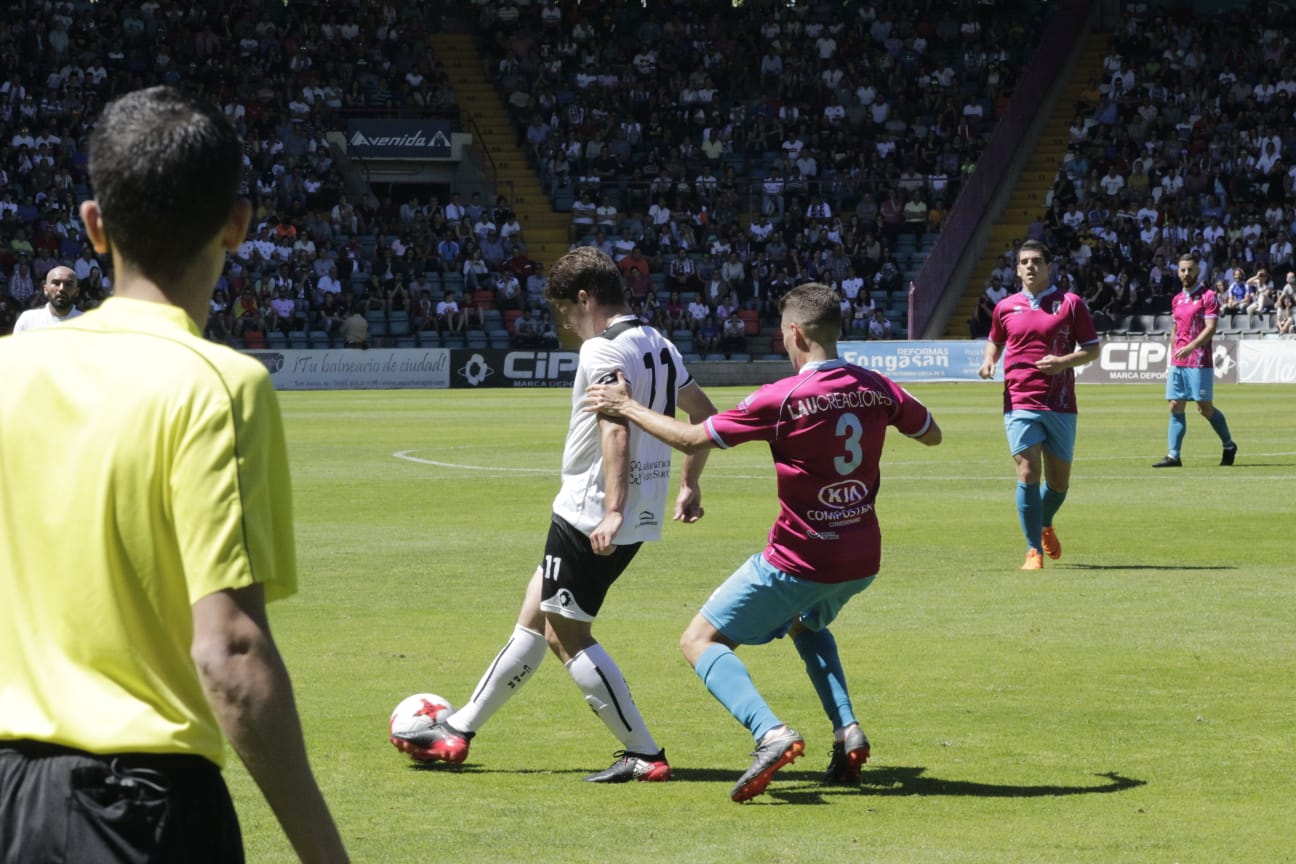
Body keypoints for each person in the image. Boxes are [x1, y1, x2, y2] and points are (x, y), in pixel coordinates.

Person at [0, 87, 347, 863]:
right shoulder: (218, 384)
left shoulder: (7, 369)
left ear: (94, 226)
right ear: (238, 224)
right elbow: (229, 651)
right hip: (141, 809)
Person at [583, 282, 941, 802]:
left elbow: (692, 435)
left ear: (793, 332)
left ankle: (769, 732)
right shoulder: (876, 386)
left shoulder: (784, 397)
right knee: (806, 623)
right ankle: (847, 730)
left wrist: (627, 406)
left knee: (698, 641)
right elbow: (931, 433)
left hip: (801, 556)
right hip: (861, 557)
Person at [390, 247, 717, 783]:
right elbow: (703, 415)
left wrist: (609, 511)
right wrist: (689, 483)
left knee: (566, 634)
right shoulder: (659, 342)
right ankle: (460, 728)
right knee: (537, 609)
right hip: (638, 509)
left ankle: (645, 752)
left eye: (566, 310)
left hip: (591, 511)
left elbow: (613, 427)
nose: (565, 322)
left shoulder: (601, 350)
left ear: (585, 298)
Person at [978, 240, 1100, 571]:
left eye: (1037, 261)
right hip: (1019, 400)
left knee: (1058, 485)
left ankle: (1044, 523)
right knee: (1028, 470)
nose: (1030, 266)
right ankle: (1034, 550)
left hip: (1060, 403)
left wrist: (1062, 362)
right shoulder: (1005, 307)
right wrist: (990, 361)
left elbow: (1092, 348)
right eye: (1024, 262)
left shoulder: (1070, 303)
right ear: (1017, 269)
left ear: (1048, 267)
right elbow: (995, 339)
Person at [1152, 253, 1237, 468]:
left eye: (1190, 269)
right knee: (1175, 405)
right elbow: (1174, 330)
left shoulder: (1208, 296)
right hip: (1179, 362)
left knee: (1204, 408)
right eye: (1182, 270)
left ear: (1198, 271)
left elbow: (1211, 329)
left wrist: (1190, 347)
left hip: (1199, 361)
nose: (1186, 274)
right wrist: (1173, 354)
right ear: (1178, 272)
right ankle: (1173, 455)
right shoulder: (1176, 300)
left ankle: (1229, 445)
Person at [11, 265, 82, 332]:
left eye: (68, 284)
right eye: (56, 283)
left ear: (77, 291)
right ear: (45, 289)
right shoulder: (27, 320)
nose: (61, 289)